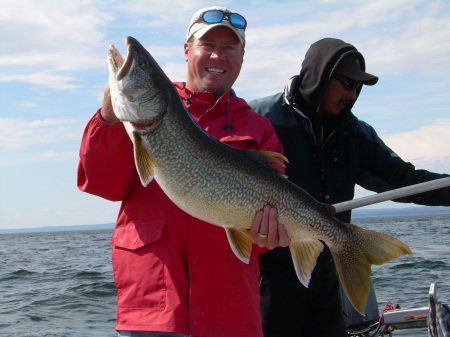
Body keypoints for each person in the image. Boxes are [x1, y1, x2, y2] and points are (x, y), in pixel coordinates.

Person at [78, 6, 289, 337]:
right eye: (207, 45)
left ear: (242, 57)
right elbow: (104, 184)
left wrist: (267, 236)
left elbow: (262, 238)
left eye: (229, 48)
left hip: (230, 316)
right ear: (187, 50)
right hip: (152, 310)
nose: (217, 56)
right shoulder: (134, 116)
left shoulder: (259, 128)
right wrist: (108, 117)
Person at [249, 37, 450, 337]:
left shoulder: (355, 133)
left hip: (326, 269)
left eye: (358, 87)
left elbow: (404, 180)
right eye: (346, 83)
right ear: (318, 76)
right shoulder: (259, 120)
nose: (352, 93)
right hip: (267, 275)